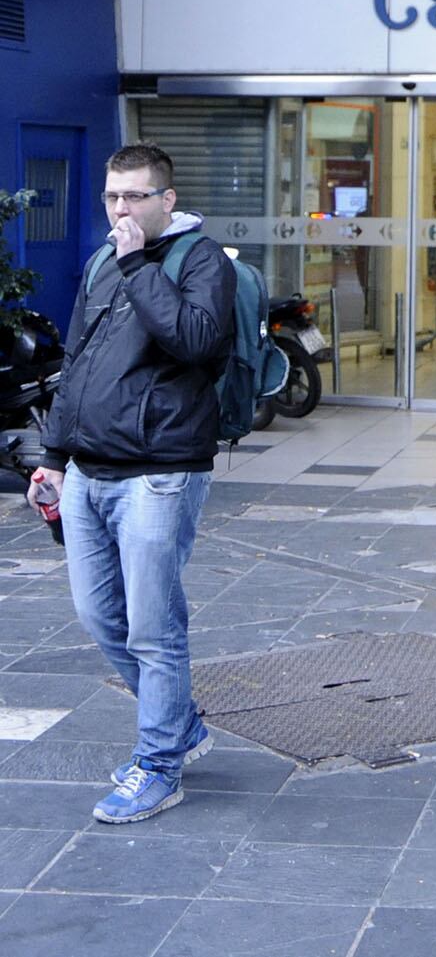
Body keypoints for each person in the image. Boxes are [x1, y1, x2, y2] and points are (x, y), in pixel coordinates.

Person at [28, 142, 235, 824]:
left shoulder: (199, 260)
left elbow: (195, 341)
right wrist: (53, 457)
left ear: (166, 199)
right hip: (88, 469)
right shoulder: (101, 261)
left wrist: (138, 264)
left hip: (159, 472)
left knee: (154, 627)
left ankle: (160, 765)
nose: (121, 209)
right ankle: (180, 723)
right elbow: (77, 362)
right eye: (112, 196)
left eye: (135, 196)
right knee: (99, 615)